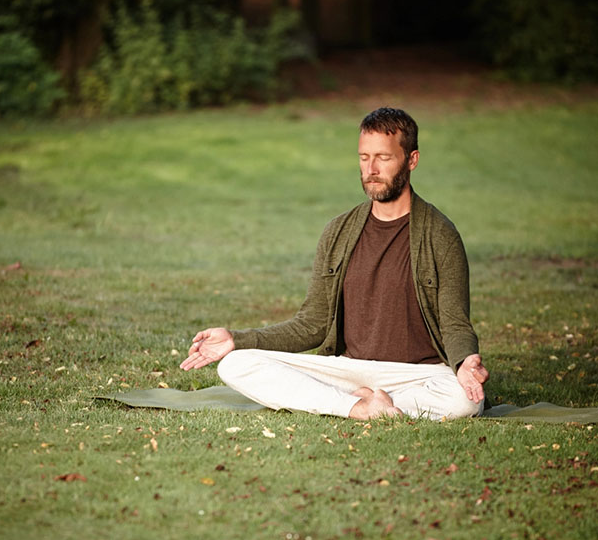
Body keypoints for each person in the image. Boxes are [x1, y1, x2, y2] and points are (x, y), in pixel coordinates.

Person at [181, 107, 489, 420]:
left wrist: (464, 361)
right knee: (237, 364)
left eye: (383, 157)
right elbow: (312, 323)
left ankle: (360, 403)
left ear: (412, 160)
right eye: (364, 157)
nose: (371, 168)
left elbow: (454, 321)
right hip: (347, 371)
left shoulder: (440, 234)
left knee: (465, 401)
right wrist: (237, 339)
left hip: (413, 374)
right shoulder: (338, 232)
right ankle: (360, 407)